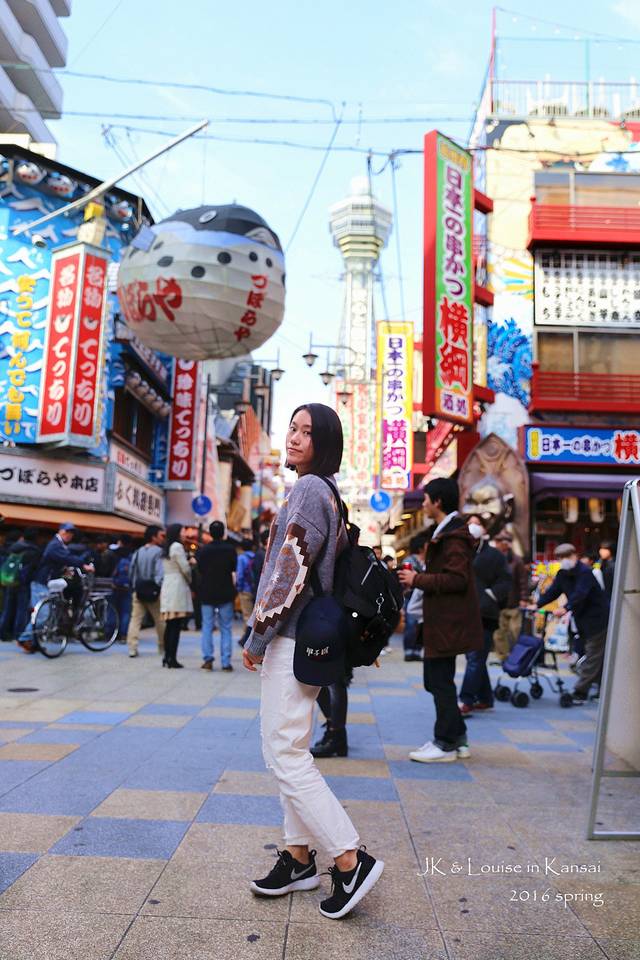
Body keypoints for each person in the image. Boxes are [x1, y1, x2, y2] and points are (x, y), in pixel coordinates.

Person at [243, 403, 384, 920]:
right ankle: (299, 858)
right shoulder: (325, 492)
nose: (296, 437)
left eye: (308, 432)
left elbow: (290, 570)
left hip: (291, 635)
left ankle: (349, 859)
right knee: (290, 745)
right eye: (293, 428)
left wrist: (258, 635)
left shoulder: (307, 490)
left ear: (326, 444)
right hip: (307, 637)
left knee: (284, 752)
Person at [398, 478, 483, 762]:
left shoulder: (454, 536)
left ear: (437, 501)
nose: (423, 504)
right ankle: (458, 738)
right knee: (436, 680)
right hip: (441, 620)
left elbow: (457, 579)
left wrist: (417, 579)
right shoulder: (449, 531)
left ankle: (445, 743)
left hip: (447, 622)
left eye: (426, 499)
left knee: (439, 681)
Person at [537, 543, 609, 703]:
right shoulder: (563, 574)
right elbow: (553, 592)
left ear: (574, 555)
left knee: (592, 655)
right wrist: (537, 604)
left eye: (566, 556)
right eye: (560, 558)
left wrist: (566, 607)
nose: (563, 560)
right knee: (594, 655)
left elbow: (580, 594)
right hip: (582, 620)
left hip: (597, 620)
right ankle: (602, 690)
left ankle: (580, 691)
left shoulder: (585, 572)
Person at [458, 516, 511, 715]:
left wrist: (490, 596)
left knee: (475, 657)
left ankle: (466, 699)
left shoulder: (494, 555)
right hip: (464, 612)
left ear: (484, 529)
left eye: (478, 523)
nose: (473, 526)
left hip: (485, 614)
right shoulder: (458, 551)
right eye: (470, 523)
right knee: (475, 657)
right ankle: (486, 698)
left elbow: (506, 581)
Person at [17, 523, 92, 653]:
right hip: (40, 583)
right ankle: (24, 639)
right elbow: (66, 557)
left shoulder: (59, 545)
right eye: (67, 532)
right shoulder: (55, 545)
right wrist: (83, 565)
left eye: (71, 533)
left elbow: (59, 561)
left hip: (45, 582)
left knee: (45, 613)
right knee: (43, 614)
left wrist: (65, 570)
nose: (69, 535)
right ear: (61, 531)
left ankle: (33, 642)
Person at [196, 521, 237, 671]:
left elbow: (200, 569)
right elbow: (233, 568)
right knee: (226, 627)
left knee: (207, 626)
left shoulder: (203, 550)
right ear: (223, 532)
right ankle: (226, 662)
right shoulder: (230, 549)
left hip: (207, 591)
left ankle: (208, 659)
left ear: (210, 533)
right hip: (225, 591)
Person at [126, 524, 166, 658]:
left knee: (135, 620)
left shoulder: (138, 552)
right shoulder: (159, 552)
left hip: (139, 590)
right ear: (153, 537)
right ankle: (162, 646)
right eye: (161, 535)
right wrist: (159, 587)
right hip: (154, 591)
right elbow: (160, 573)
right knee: (160, 620)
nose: (163, 538)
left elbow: (132, 571)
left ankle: (132, 647)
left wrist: (134, 586)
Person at [491, 531, 529, 663]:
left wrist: (524, 598)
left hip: (514, 602)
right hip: (498, 603)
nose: (500, 544)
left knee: (515, 631)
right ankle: (503, 657)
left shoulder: (516, 560)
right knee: (499, 633)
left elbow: (523, 581)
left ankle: (517, 656)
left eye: (503, 541)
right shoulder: (494, 559)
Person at [160, 523, 193, 669]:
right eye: (183, 531)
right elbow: (184, 568)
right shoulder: (177, 547)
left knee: (169, 624)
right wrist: (190, 574)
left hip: (168, 585)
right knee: (176, 625)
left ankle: (166, 656)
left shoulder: (166, 547)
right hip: (177, 586)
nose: (185, 534)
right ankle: (172, 658)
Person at [0, 528, 41, 641]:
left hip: (10, 580)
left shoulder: (14, 547)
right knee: (21, 609)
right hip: (23, 582)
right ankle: (17, 633)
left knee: (7, 608)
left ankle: (2, 632)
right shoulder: (34, 550)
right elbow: (34, 568)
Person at [402, 533, 428, 662]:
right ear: (421, 547)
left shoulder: (429, 559)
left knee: (421, 624)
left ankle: (418, 650)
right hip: (411, 595)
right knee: (411, 624)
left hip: (424, 595)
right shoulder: (409, 561)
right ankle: (409, 651)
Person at [236, 538, 256, 626]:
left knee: (247, 615)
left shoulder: (241, 558)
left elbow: (240, 575)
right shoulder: (256, 556)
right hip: (256, 588)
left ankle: (248, 633)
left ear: (241, 548)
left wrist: (239, 588)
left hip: (245, 589)